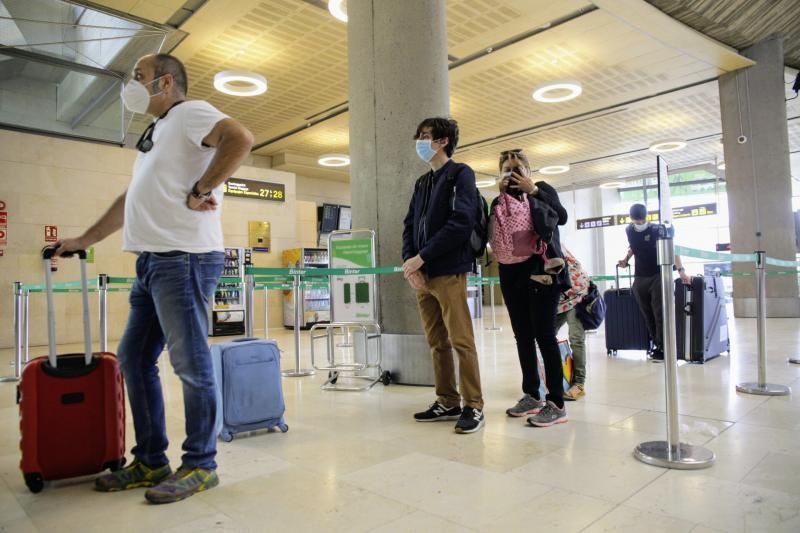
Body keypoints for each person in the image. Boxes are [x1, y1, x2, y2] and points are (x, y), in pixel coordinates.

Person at [55, 53, 254, 504]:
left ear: (165, 82)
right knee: (135, 356)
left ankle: (201, 464)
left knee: (190, 364)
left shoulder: (189, 112)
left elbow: (240, 138)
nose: (132, 84)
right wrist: (85, 238)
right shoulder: (159, 130)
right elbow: (132, 198)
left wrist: (203, 188)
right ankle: (150, 459)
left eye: (138, 77)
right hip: (153, 261)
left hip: (183, 258)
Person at [402, 117, 486, 434]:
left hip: (449, 270)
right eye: (420, 136)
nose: (420, 142)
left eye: (425, 137)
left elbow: (462, 221)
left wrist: (423, 256)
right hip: (422, 274)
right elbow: (409, 225)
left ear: (443, 141)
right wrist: (410, 263)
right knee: (437, 342)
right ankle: (447, 400)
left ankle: (473, 405)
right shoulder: (423, 183)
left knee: (461, 340)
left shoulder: (460, 174)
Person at [494, 149, 571, 427]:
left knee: (545, 337)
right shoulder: (498, 200)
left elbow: (561, 217)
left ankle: (556, 403)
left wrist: (534, 190)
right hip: (509, 273)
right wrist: (500, 196)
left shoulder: (543, 189)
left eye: (517, 167)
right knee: (522, 337)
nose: (512, 173)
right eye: (507, 168)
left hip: (541, 271)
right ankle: (531, 394)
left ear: (528, 169)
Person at [618, 203, 689, 361]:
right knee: (647, 313)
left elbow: (672, 249)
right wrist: (625, 259)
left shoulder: (658, 230)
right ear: (632, 219)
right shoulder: (629, 230)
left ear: (647, 217)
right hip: (640, 277)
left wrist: (681, 270)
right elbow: (633, 247)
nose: (640, 223)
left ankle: (665, 347)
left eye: (641, 220)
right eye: (637, 221)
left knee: (660, 312)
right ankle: (657, 345)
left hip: (658, 275)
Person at [555, 248, 590, 400]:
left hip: (576, 295)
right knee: (544, 337)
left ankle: (579, 384)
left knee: (576, 338)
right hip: (558, 300)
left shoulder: (551, 244)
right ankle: (551, 379)